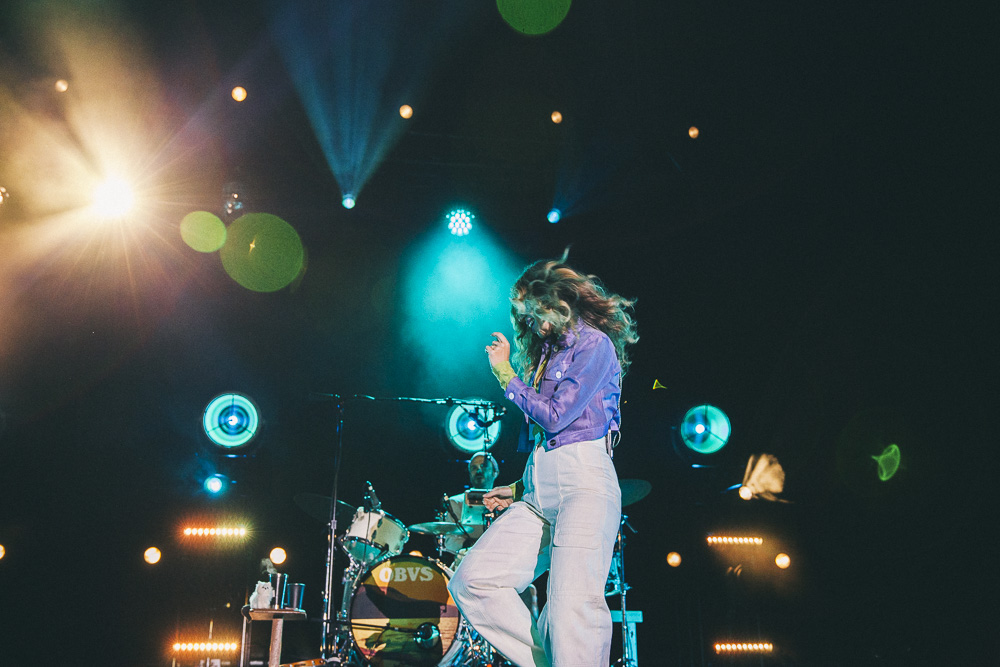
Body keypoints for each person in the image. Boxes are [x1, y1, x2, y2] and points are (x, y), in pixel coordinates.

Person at [448, 257, 638, 667]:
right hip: (538, 494)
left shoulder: (594, 345)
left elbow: (557, 416)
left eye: (533, 314)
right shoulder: (548, 355)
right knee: (472, 582)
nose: (531, 324)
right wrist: (518, 487)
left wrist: (504, 375)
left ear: (555, 302)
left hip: (584, 486)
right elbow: (547, 440)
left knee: (570, 611)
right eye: (524, 318)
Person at [441, 451, 500, 556]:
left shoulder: (506, 503)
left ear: (495, 472)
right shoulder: (455, 502)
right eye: (474, 468)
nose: (478, 470)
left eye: (484, 466)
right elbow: (451, 542)